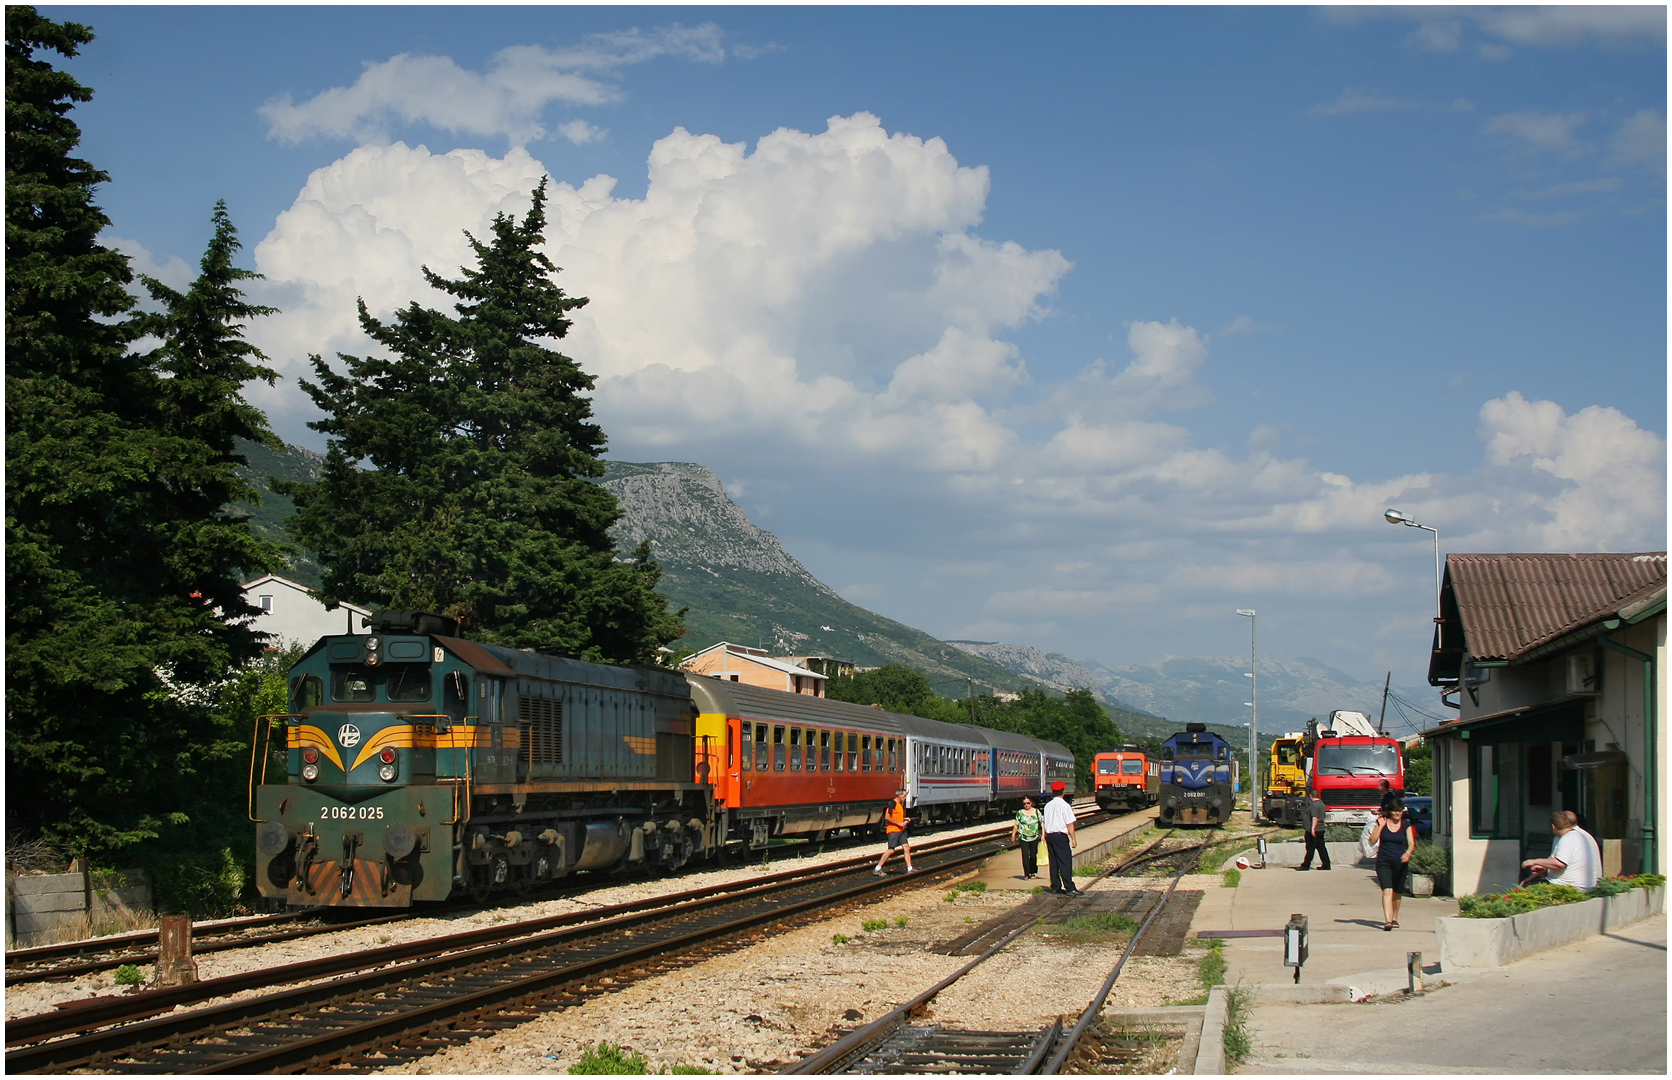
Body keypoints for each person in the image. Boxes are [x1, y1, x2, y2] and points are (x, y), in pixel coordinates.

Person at [1521, 810, 1600, 889]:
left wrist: (1534, 861)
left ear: (1553, 826)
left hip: (1568, 885)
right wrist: (1544, 867)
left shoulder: (1568, 838)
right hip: (1582, 884)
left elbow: (1559, 863)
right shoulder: (1579, 835)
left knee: (1527, 889)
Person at [1368, 802, 1416, 930]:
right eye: (1395, 811)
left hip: (1400, 862)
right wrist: (1380, 826)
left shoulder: (1406, 825)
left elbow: (1411, 843)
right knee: (1387, 890)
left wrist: (1407, 853)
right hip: (1384, 861)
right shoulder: (1382, 823)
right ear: (1390, 812)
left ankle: (1395, 917)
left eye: (1400, 811)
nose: (1398, 813)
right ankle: (1388, 921)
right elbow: (1372, 841)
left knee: (1397, 892)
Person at [1043, 780, 1079, 895]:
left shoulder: (1047, 806)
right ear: (1063, 792)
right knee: (1065, 861)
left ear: (1053, 792)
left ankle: (1055, 886)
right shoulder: (1065, 806)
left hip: (1050, 836)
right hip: (1060, 836)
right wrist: (1073, 838)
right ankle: (1069, 887)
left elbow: (1044, 822)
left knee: (1053, 862)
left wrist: (1043, 835)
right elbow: (1069, 823)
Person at [874, 789, 914, 875]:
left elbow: (896, 817)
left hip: (901, 830)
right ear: (899, 796)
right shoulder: (892, 804)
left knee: (906, 848)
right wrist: (899, 823)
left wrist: (904, 820)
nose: (905, 797)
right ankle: (878, 868)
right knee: (891, 850)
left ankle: (910, 868)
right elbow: (887, 817)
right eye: (904, 796)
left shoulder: (900, 805)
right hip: (893, 830)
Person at [1298, 784, 1330, 870]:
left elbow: (1315, 817)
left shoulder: (1314, 805)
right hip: (1320, 829)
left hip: (1314, 830)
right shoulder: (1321, 804)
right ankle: (1326, 864)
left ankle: (1305, 865)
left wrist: (1312, 829)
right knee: (1321, 848)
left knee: (1310, 848)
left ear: (1311, 796)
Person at [1011, 797, 1043, 879]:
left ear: (1031, 803)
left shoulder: (1037, 812)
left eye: (1028, 803)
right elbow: (1016, 824)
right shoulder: (1020, 813)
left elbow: (1042, 823)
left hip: (1034, 836)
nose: (1026, 805)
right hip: (1023, 836)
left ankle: (1033, 872)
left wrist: (1043, 834)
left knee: (1033, 855)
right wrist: (1013, 835)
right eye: (1024, 803)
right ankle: (1026, 873)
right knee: (1025, 855)